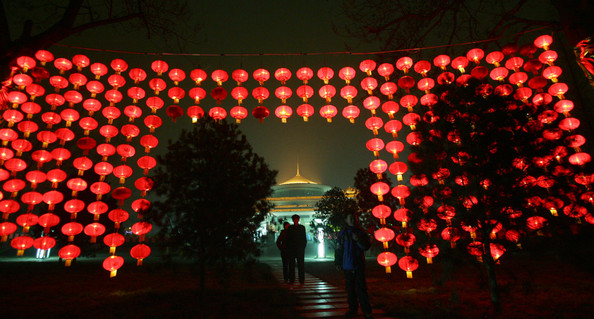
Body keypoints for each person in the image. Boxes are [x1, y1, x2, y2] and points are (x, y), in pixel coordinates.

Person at [335, 212, 373, 318]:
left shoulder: (361, 232)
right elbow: (338, 249)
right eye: (350, 218)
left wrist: (358, 240)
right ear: (346, 220)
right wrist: (338, 262)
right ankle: (353, 309)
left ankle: (367, 311)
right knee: (350, 289)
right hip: (347, 265)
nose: (353, 220)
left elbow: (366, 246)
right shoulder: (342, 233)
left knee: (361, 289)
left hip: (358, 264)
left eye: (354, 218)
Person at [286, 214, 307, 284]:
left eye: (296, 219)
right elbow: (288, 239)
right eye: (294, 219)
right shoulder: (292, 228)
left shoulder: (300, 228)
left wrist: (303, 246)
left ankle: (300, 279)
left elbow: (304, 238)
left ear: (298, 219)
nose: (295, 220)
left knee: (299, 264)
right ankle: (294, 279)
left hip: (297, 248)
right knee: (294, 264)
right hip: (294, 249)